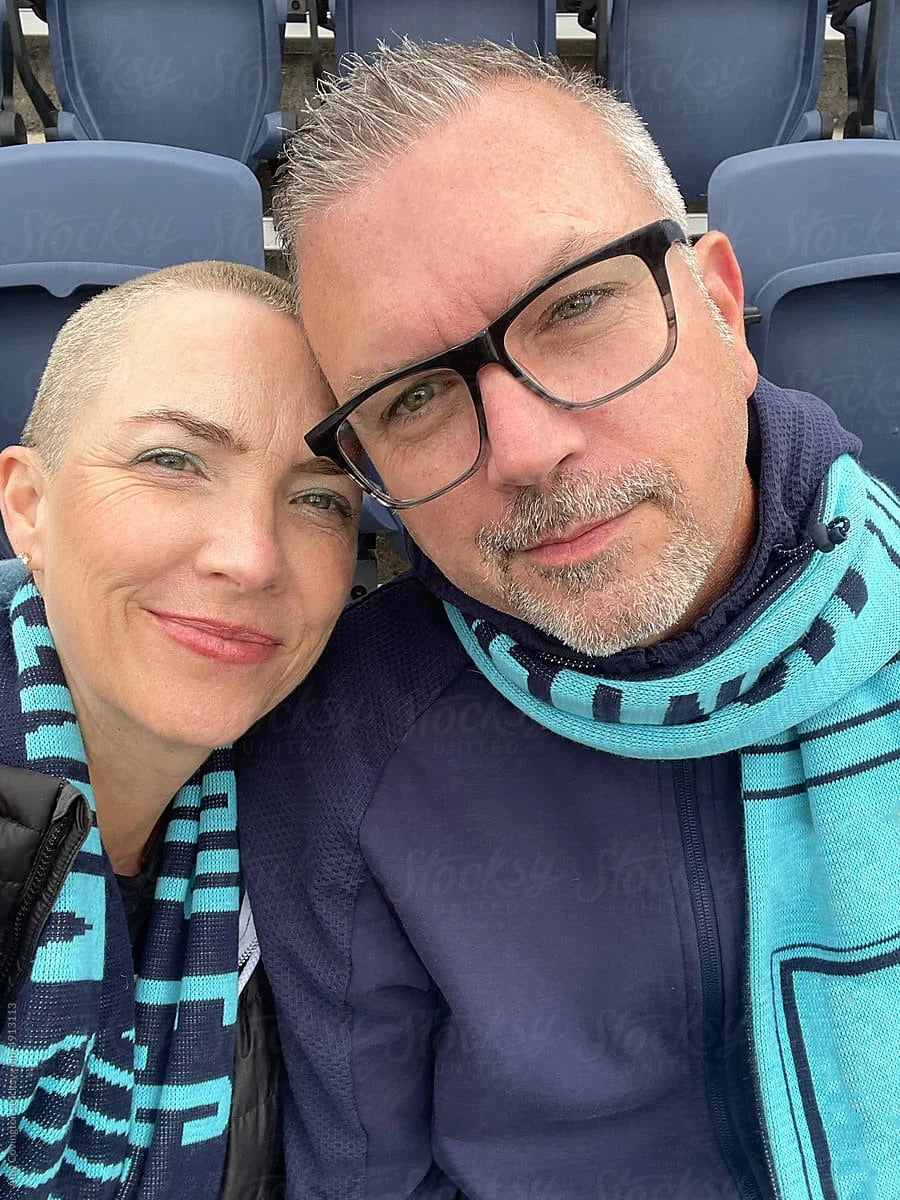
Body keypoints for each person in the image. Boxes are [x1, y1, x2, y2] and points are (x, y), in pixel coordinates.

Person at [239, 41, 900, 1200]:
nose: (527, 451)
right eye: (414, 395)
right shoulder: (343, 747)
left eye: (578, 306)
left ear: (721, 305)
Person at [0, 261, 360, 1200]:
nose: (251, 557)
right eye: (171, 461)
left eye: (319, 499)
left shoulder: (314, 830)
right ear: (28, 505)